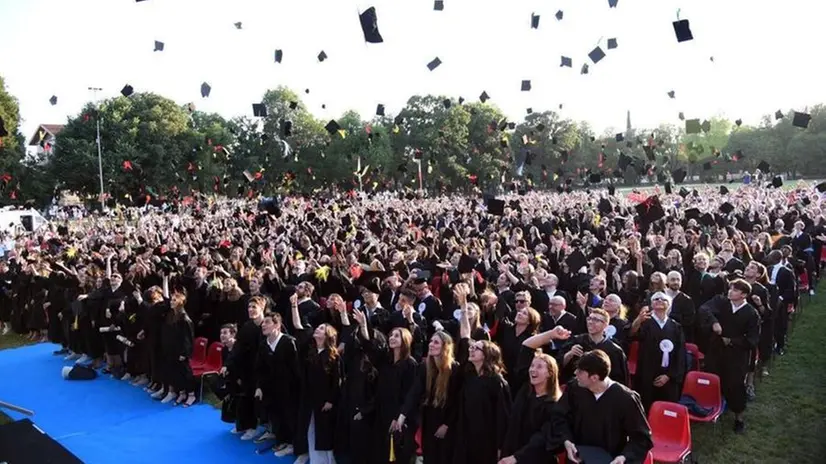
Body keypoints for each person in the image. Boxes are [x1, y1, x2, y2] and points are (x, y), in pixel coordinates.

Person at [559, 350, 653, 464]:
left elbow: (641, 437)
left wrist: (624, 457)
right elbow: (560, 416)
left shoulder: (625, 399)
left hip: (610, 459)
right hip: (577, 457)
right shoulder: (575, 389)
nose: (575, 373)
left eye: (580, 371)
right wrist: (567, 440)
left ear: (594, 377)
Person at [700, 279, 760, 433]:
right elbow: (704, 308)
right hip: (716, 351)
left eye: (735, 290)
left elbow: (752, 339)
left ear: (743, 294)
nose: (730, 291)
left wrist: (732, 341)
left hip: (736, 356)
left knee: (735, 385)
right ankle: (711, 408)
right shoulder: (722, 302)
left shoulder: (751, 313)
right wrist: (714, 322)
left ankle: (739, 418)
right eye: (731, 288)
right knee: (712, 378)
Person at [291, 293, 341, 464]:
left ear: (328, 335)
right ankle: (313, 458)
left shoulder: (333, 356)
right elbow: (298, 327)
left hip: (324, 400)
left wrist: (331, 400)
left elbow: (337, 380)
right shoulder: (310, 352)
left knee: (323, 431)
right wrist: (294, 306)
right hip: (309, 397)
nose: (316, 330)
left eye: (321, 328)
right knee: (309, 427)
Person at [629, 292, 686, 411]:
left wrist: (669, 375)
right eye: (656, 299)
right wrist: (638, 320)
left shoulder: (676, 327)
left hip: (668, 375)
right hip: (646, 372)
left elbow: (680, 354)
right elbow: (631, 334)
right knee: (645, 406)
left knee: (667, 408)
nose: (659, 300)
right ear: (651, 304)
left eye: (663, 299)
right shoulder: (644, 323)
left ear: (669, 305)